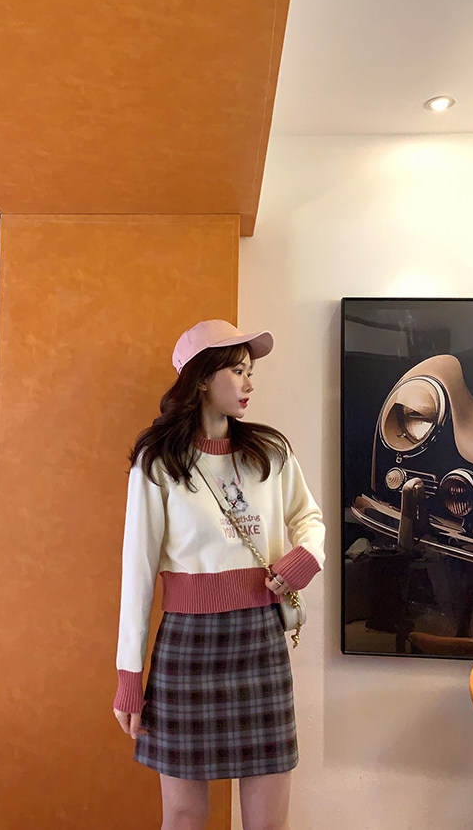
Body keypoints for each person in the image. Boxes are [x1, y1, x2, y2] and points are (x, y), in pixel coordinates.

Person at [113, 319, 325, 830]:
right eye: (238, 371)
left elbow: (309, 518)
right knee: (185, 815)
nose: (250, 383)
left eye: (251, 372)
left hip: (260, 640)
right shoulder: (159, 461)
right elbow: (137, 572)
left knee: (268, 819)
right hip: (187, 647)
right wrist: (128, 677)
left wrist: (303, 560)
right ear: (203, 377)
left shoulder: (270, 452)